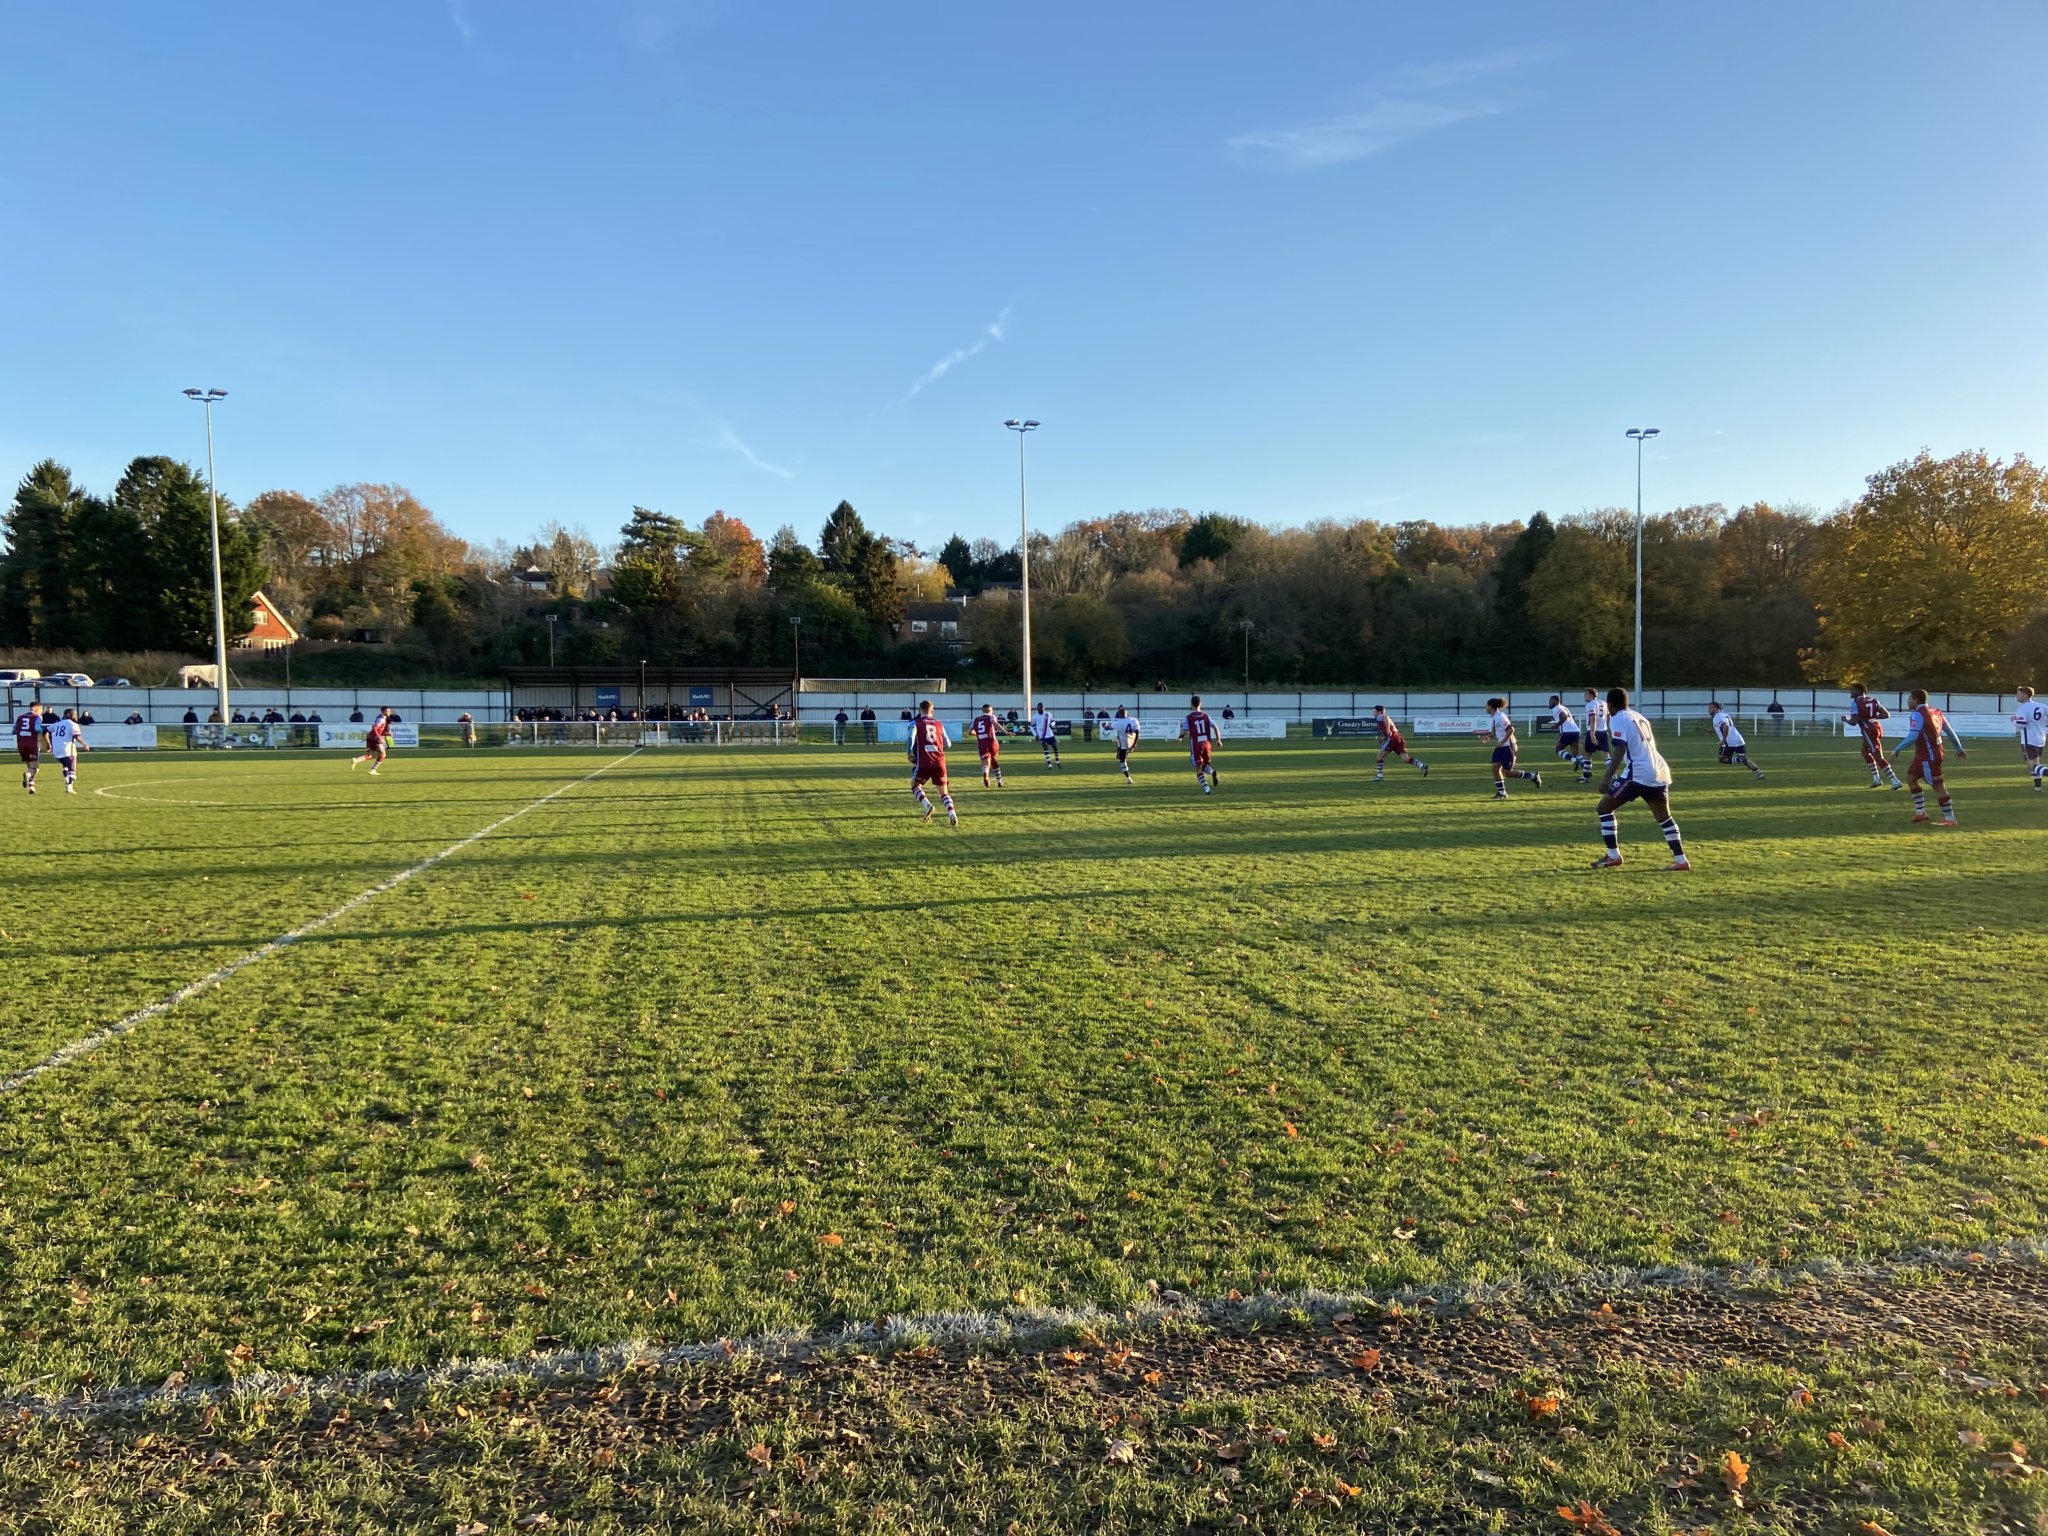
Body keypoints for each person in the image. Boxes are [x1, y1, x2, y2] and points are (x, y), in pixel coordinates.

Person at [1591, 687, 1689, 871]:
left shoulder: (1618, 719)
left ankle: (1613, 856)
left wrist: (1607, 777)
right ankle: (1681, 860)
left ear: (1610, 705)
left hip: (1638, 772)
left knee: (1603, 807)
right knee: (1664, 817)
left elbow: (1620, 749)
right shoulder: (1638, 716)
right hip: (1659, 770)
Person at [1891, 688, 1965, 825]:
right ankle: (1921, 812)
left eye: (1909, 699)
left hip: (1928, 756)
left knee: (1938, 786)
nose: (1908, 702)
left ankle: (1950, 818)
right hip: (1929, 754)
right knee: (1911, 778)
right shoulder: (1936, 712)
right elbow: (1950, 732)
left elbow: (1912, 737)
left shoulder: (1918, 714)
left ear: (1915, 700)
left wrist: (1897, 749)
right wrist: (1958, 748)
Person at [907, 698, 958, 826]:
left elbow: (910, 737)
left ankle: (928, 806)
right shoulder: (939, 724)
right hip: (940, 761)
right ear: (932, 710)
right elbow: (948, 744)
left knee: (915, 785)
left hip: (925, 761)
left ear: (920, 710)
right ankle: (952, 813)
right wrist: (938, 749)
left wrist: (910, 752)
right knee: (943, 792)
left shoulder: (915, 723)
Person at [1845, 683, 1904, 790]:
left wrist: (1845, 720)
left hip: (1869, 731)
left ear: (1859, 691)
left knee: (1878, 757)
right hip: (1876, 728)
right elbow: (1886, 714)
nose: (1850, 692)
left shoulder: (1856, 703)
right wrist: (1872, 716)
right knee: (1864, 752)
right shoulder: (1873, 700)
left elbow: (1853, 722)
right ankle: (1876, 779)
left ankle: (1895, 781)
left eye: (1852, 690)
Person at [1482, 698, 1542, 799]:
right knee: (1495, 768)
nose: (1485, 708)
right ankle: (1502, 793)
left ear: (1491, 706)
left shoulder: (1501, 716)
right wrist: (1488, 736)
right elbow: (1496, 732)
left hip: (1508, 747)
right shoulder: (1494, 717)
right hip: (1500, 747)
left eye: (1486, 706)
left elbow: (1510, 729)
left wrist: (1502, 742)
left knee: (1507, 773)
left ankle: (1533, 775)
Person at [1369, 704, 1428, 781]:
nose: (1373, 713)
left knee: (1379, 756)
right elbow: (1388, 732)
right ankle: (1421, 765)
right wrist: (1382, 739)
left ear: (1379, 712)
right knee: (1406, 759)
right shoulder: (1382, 719)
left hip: (1393, 739)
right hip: (1398, 738)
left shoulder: (1380, 716)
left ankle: (1380, 776)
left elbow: (1385, 717)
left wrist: (1388, 730)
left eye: (1374, 712)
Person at [1709, 701, 1765, 779]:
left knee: (1721, 759)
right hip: (1738, 739)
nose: (1709, 710)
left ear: (1715, 708)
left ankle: (1739, 760)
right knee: (1744, 759)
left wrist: (1723, 739)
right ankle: (1758, 773)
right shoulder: (1725, 715)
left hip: (1729, 742)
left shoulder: (1717, 717)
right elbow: (1725, 727)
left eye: (1710, 708)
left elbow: (1725, 727)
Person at [1178, 694, 1220, 794]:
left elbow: (1184, 732)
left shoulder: (1189, 718)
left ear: (1191, 704)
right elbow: (1216, 727)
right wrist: (1218, 740)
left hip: (1197, 745)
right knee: (1204, 765)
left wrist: (1180, 737)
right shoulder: (1206, 716)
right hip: (1207, 744)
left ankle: (1206, 788)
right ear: (1200, 704)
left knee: (1198, 767)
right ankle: (1212, 772)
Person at [46, 707, 88, 794]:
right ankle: (69, 787)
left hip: (56, 750)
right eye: (75, 714)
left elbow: (45, 730)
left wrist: (48, 743)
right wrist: (84, 744)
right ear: (68, 715)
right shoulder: (73, 724)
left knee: (65, 765)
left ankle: (66, 779)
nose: (76, 716)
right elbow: (77, 736)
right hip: (67, 749)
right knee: (72, 769)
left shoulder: (57, 724)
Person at [2013, 685, 2046, 793]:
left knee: (2032, 765)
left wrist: (2013, 720)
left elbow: (2021, 725)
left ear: (2025, 695)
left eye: (2018, 693)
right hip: (2041, 739)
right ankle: (2038, 788)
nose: (2017, 696)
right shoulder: (2041, 705)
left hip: (2029, 740)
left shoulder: (2023, 708)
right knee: (2036, 763)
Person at [1547, 695, 1588, 776]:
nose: (1549, 703)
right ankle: (1587, 771)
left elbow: (1564, 717)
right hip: (1575, 731)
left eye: (1550, 701)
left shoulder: (1556, 708)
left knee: (1558, 750)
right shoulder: (1564, 707)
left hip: (1568, 732)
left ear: (1556, 701)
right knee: (1576, 754)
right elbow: (1571, 718)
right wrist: (1560, 733)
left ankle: (1573, 760)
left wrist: (1557, 725)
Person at [351, 706, 396, 775]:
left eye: (389, 711)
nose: (389, 712)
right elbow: (375, 728)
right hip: (375, 738)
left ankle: (356, 760)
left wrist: (386, 733)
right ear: (383, 711)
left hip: (370, 736)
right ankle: (373, 770)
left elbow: (377, 729)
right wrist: (378, 737)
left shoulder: (380, 717)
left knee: (370, 755)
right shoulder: (382, 719)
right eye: (387, 711)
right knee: (383, 754)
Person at [970, 703, 1006, 787]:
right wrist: (1005, 732)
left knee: (985, 762)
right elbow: (995, 724)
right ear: (991, 710)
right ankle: (999, 781)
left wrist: (978, 735)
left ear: (983, 711)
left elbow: (970, 732)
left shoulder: (976, 719)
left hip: (982, 744)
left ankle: (985, 772)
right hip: (992, 742)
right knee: (994, 760)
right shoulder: (991, 717)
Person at [1580, 689, 1610, 785]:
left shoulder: (1590, 705)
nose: (1584, 696)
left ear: (1590, 695)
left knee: (1588, 754)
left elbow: (1592, 718)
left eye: (1585, 694)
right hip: (1603, 731)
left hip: (1593, 731)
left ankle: (1586, 776)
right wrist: (1607, 728)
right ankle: (1613, 776)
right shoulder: (1604, 704)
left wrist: (1592, 734)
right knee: (1606, 754)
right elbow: (1609, 717)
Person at [15, 699, 45, 794]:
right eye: (41, 708)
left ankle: (31, 787)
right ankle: (27, 775)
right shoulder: (37, 717)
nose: (42, 711)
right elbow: (37, 729)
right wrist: (43, 734)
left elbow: (14, 731)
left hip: (21, 744)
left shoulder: (20, 717)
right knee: (35, 767)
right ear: (36, 708)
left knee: (29, 765)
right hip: (32, 744)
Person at [1112, 705, 1142, 783]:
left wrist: (1104, 725)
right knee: (1120, 757)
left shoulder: (1118, 722)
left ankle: (1128, 778)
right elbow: (1138, 733)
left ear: (1119, 714)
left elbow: (1107, 727)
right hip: (1131, 743)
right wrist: (1134, 744)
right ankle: (1120, 751)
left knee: (1122, 761)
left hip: (1123, 745)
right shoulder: (1134, 720)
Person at [1032, 702, 1062, 769]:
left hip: (1050, 734)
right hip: (1042, 736)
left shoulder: (1048, 714)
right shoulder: (1035, 717)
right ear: (1037, 708)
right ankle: (1049, 764)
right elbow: (1032, 726)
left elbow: (1053, 721)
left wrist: (1052, 724)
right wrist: (1035, 735)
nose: (1041, 709)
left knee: (1055, 748)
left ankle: (1057, 761)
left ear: (1044, 708)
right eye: (1039, 708)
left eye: (1042, 708)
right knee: (1046, 748)